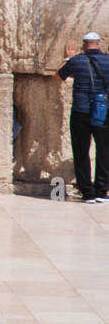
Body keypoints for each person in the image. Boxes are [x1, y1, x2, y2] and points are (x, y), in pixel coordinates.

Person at [57, 32, 109, 203]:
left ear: (84, 45)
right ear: (99, 45)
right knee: (104, 150)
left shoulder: (76, 61)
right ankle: (102, 190)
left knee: (81, 151)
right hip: (103, 112)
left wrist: (67, 58)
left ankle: (87, 191)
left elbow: (59, 76)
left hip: (81, 111)